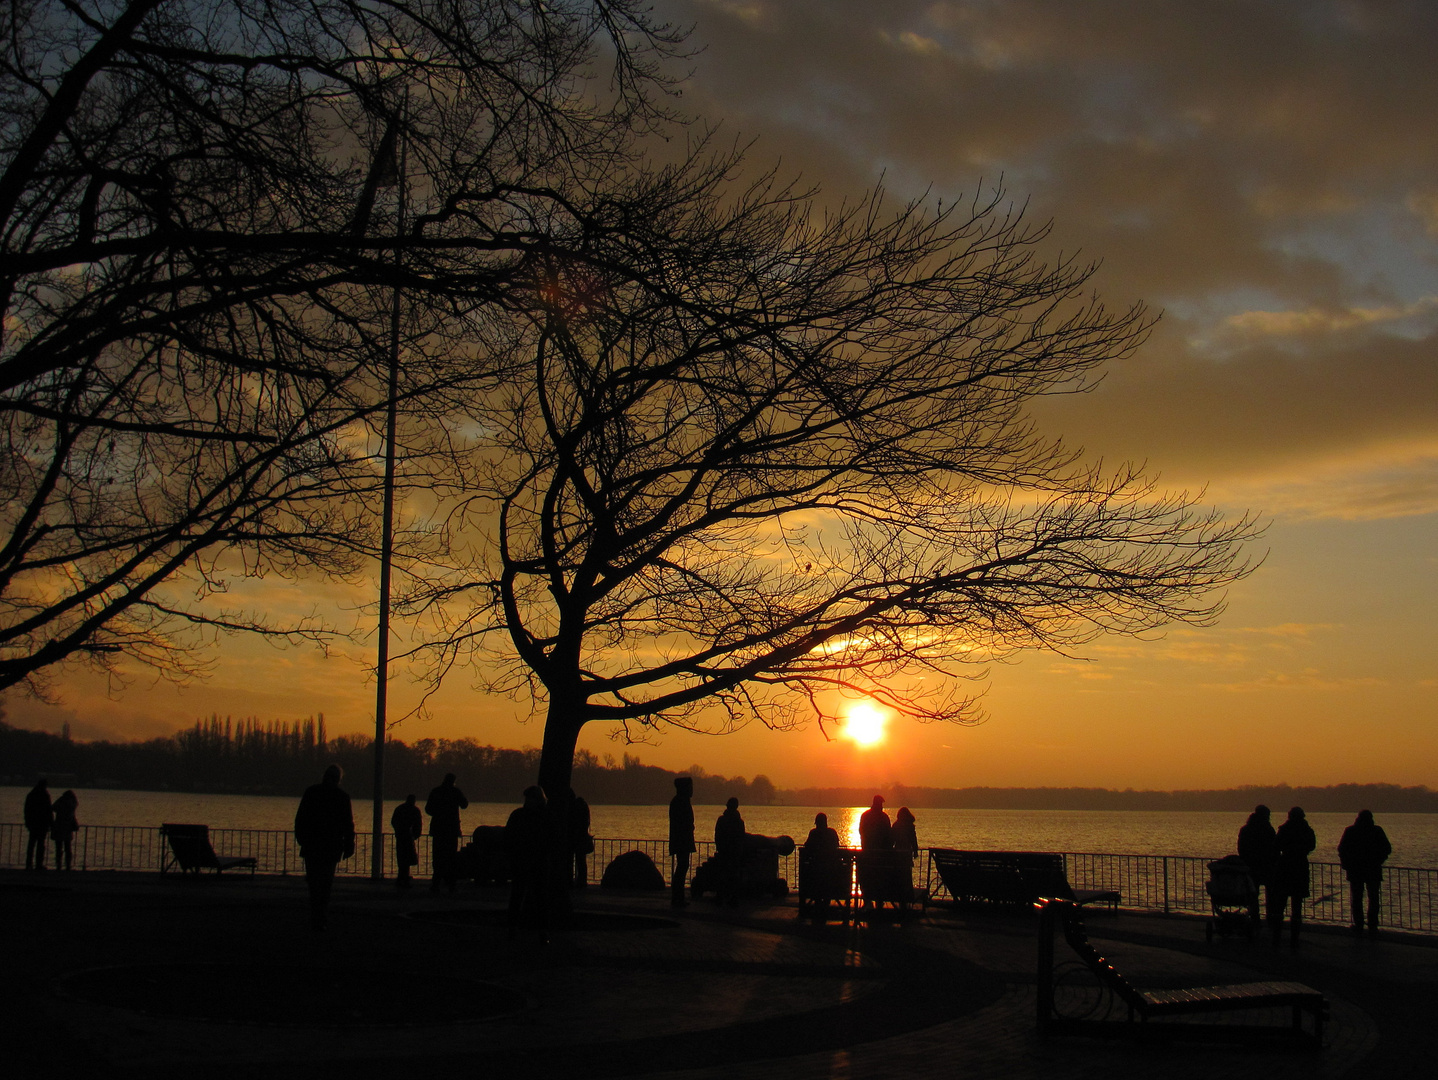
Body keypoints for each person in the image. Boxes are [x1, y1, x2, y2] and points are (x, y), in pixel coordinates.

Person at [294, 764, 356, 930]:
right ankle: (320, 916)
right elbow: (348, 824)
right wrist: (349, 844)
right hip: (331, 846)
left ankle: (316, 914)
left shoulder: (311, 792)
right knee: (325, 882)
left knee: (314, 882)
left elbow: (300, 819)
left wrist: (302, 839)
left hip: (312, 845)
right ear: (338, 779)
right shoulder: (342, 797)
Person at [1338, 809, 1392, 936]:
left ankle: (1359, 924)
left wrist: (1346, 864)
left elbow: (1342, 849)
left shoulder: (1351, 831)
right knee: (1373, 898)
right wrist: (1379, 860)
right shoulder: (1377, 831)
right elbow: (1387, 848)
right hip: (1373, 869)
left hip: (1355, 870)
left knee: (1357, 898)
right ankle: (1372, 925)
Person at [506, 786, 550, 936]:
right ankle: (540, 929)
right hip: (532, 861)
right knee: (534, 896)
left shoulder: (518, 815)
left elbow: (509, 837)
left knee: (523, 895)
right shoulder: (544, 816)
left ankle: (516, 926)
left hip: (527, 860)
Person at [1270, 806, 1316, 947]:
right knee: (1297, 905)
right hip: (1300, 866)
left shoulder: (1284, 829)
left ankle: (1276, 936)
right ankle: (1294, 937)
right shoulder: (1307, 830)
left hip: (1285, 867)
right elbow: (1311, 845)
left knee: (1280, 903)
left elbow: (1276, 845)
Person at [425, 772, 469, 894]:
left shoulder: (436, 791)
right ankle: (451, 885)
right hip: (451, 830)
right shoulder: (455, 792)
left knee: (438, 857)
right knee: (451, 858)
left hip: (438, 829)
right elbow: (464, 804)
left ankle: (436, 884)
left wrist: (439, 814)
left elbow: (428, 809)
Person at [1237, 804, 1278, 929]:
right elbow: (1274, 848)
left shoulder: (1246, 829)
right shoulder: (1268, 829)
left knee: (1252, 894)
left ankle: (1255, 919)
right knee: (1270, 895)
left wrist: (1246, 860)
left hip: (1251, 866)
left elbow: (1241, 848)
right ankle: (1271, 919)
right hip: (1267, 867)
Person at [668, 776, 695, 908]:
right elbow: (683, 823)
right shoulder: (681, 802)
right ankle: (678, 897)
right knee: (682, 867)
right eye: (690, 787)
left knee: (682, 867)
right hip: (682, 840)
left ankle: (678, 897)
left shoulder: (679, 801)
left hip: (682, 839)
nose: (692, 790)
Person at [714, 796, 746, 906]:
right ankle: (733, 897)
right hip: (734, 852)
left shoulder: (721, 820)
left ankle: (721, 896)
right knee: (733, 875)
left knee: (722, 874)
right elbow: (741, 837)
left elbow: (718, 835)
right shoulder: (739, 821)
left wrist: (720, 847)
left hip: (724, 851)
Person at [390, 793, 423, 889]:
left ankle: (402, 877)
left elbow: (394, 821)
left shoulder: (400, 809)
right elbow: (418, 824)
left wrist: (398, 830)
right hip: (408, 837)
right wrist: (415, 835)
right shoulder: (414, 810)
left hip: (401, 837)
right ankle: (404, 878)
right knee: (407, 858)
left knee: (402, 858)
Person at [23, 778, 52, 872]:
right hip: (42, 824)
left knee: (31, 844)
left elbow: (27, 810)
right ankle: (38, 864)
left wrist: (27, 822)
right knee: (40, 845)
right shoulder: (45, 795)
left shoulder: (31, 795)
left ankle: (29, 864)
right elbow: (48, 810)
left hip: (33, 823)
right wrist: (50, 823)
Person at [51, 789, 79, 871]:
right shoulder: (72, 803)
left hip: (59, 827)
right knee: (67, 847)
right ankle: (67, 865)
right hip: (67, 828)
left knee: (59, 848)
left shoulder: (61, 802)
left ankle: (59, 864)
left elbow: (53, 807)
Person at [570, 793, 594, 888]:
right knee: (581, 861)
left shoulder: (574, 810)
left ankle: (575, 880)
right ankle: (582, 881)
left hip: (575, 839)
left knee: (574, 860)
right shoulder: (584, 813)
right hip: (582, 839)